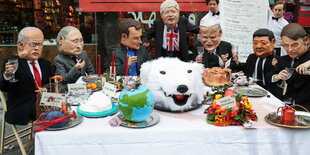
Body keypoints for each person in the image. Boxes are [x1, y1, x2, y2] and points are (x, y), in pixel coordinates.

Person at [0, 27, 53, 125]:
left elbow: (51, 86)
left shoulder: (45, 64)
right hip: (22, 107)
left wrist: (45, 90)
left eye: (40, 44)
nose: (37, 48)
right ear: (21, 45)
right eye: (33, 44)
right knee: (53, 113)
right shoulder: (13, 63)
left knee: (63, 105)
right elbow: (5, 88)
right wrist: (8, 75)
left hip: (44, 102)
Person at [270, 23, 310, 110]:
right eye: (286, 45)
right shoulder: (283, 60)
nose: (290, 49)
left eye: (295, 45)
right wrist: (276, 77)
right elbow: (270, 79)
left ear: (306, 40)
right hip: (281, 106)